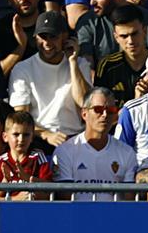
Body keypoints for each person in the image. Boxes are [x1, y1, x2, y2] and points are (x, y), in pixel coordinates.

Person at [8, 11, 92, 151]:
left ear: (65, 37)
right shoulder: (22, 69)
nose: (47, 43)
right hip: (39, 139)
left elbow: (84, 102)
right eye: (42, 36)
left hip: (76, 138)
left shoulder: (80, 64)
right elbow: (21, 118)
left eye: (53, 37)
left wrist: (72, 62)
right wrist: (46, 134)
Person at [52, 87, 139, 200]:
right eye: (98, 109)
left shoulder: (127, 152)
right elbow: (65, 201)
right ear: (84, 114)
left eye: (110, 110)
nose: (104, 115)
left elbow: (129, 202)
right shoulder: (65, 151)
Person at [91, 5, 148, 103]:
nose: (130, 41)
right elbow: (101, 109)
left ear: (145, 31)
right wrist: (136, 103)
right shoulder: (107, 66)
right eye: (124, 36)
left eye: (134, 34)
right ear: (116, 37)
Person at [0, 111, 53, 199]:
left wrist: (27, 178)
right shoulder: (0, 161)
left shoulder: (38, 157)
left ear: (32, 137)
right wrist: (5, 181)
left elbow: (49, 188)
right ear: (5, 137)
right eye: (16, 134)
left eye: (26, 135)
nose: (21, 139)